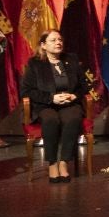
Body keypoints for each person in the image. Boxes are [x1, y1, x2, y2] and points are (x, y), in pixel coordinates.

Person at [22, 28, 87, 182]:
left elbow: (83, 86)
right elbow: (27, 91)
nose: (58, 43)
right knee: (51, 120)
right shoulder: (35, 64)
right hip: (46, 104)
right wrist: (52, 98)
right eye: (53, 40)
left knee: (72, 119)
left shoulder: (71, 59)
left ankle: (64, 162)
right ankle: (52, 163)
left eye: (60, 40)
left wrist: (74, 95)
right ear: (43, 45)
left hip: (69, 103)